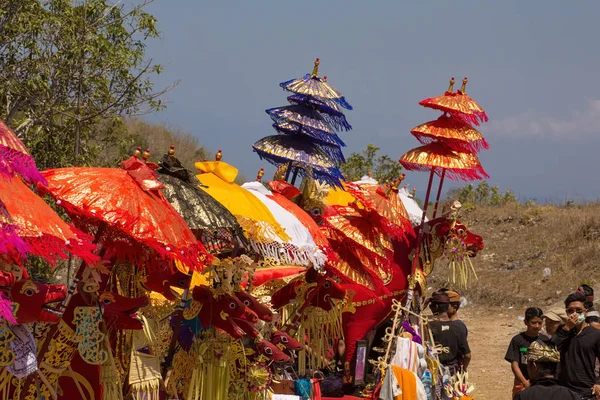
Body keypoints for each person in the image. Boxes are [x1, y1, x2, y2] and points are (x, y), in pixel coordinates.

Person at [552, 292, 600, 399]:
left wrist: (599, 382)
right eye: (570, 311)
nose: (574, 314)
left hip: (586, 390)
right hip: (563, 390)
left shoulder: (595, 334)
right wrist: (567, 328)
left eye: (579, 311)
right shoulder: (562, 331)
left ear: (586, 312)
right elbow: (551, 348)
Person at [505, 307, 549, 398]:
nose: (537, 326)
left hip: (540, 383)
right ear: (526, 322)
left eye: (540, 323)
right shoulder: (517, 340)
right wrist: (525, 382)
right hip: (521, 382)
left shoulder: (545, 340)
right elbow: (515, 364)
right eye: (533, 323)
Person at [514, 340, 579, 400]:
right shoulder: (572, 396)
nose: (527, 368)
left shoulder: (523, 396)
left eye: (528, 364)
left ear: (534, 366)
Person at [428, 291, 471, 376]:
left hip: (435, 373)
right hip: (453, 373)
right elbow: (467, 356)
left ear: (435, 307)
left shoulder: (428, 326)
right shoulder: (458, 328)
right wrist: (464, 369)